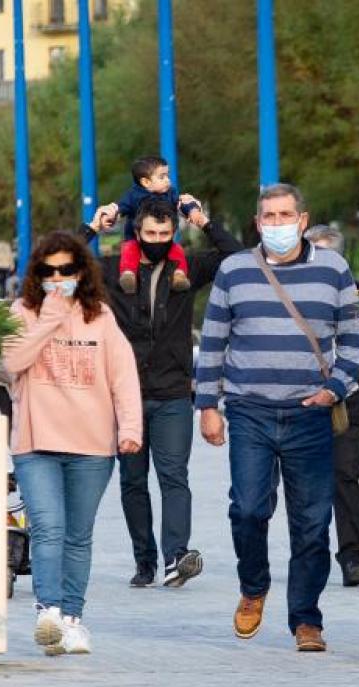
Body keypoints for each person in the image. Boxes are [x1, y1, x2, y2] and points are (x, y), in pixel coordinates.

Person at [196, 183, 359, 653]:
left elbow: (354, 340)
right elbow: (213, 341)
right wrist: (207, 406)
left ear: (303, 220)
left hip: (310, 412)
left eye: (285, 215)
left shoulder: (333, 269)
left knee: (312, 522)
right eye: (268, 217)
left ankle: (306, 619)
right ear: (257, 223)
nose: (277, 224)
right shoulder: (235, 270)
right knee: (248, 509)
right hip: (249, 408)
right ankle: (254, 586)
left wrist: (334, 390)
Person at [85, 194, 243, 588]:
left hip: (173, 391)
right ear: (136, 232)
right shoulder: (109, 270)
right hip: (125, 395)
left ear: (174, 232)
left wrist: (202, 220)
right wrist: (92, 227)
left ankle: (176, 556)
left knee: (174, 475)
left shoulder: (187, 267)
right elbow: (60, 261)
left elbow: (236, 255)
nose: (157, 239)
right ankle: (145, 561)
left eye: (166, 232)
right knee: (133, 482)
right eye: (150, 232)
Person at [3, 231, 143, 656]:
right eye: (49, 271)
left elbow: (123, 375)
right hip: (36, 441)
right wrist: (49, 317)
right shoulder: (22, 312)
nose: (58, 278)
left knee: (78, 536)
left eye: (66, 270)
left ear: (81, 272)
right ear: (37, 274)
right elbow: (11, 363)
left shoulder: (99, 316)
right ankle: (47, 611)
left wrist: (130, 429)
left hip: (92, 443)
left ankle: (72, 620)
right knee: (48, 529)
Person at [304, 224, 359, 587]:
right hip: (301, 402)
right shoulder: (294, 293)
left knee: (345, 477)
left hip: (347, 403)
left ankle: (353, 557)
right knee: (303, 483)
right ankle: (309, 554)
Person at [106, 155, 190, 294]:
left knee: (177, 251)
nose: (168, 181)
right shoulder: (133, 195)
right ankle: (128, 275)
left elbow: (181, 204)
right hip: (135, 237)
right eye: (162, 177)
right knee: (129, 251)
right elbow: (120, 208)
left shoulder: (171, 193)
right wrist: (112, 215)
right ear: (145, 182)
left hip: (164, 239)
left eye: (167, 176)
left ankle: (179, 276)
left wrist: (191, 210)